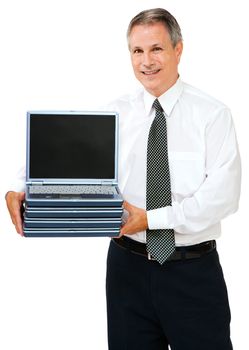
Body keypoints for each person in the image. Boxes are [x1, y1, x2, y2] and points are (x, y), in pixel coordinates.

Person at [5, 8, 241, 350]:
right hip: (126, 270)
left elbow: (223, 198)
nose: (147, 61)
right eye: (137, 51)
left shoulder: (213, 115)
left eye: (156, 48)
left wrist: (151, 219)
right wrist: (20, 186)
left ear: (178, 50)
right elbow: (71, 159)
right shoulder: (115, 113)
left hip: (192, 274)